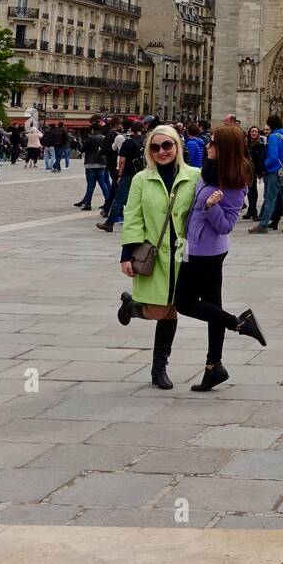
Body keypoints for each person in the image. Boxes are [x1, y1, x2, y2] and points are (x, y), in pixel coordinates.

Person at [174, 122, 266, 391]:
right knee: (212, 304)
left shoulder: (235, 182)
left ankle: (239, 323)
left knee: (184, 303)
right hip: (195, 245)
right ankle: (214, 367)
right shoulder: (210, 171)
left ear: (223, 149)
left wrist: (212, 207)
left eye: (213, 143)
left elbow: (226, 224)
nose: (207, 145)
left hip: (205, 252)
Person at [115, 124, 200, 389]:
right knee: (161, 310)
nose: (161, 151)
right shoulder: (142, 178)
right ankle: (134, 307)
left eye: (167, 145)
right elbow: (133, 216)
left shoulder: (194, 176)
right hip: (154, 252)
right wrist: (126, 255)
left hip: (183, 253)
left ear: (177, 146)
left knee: (171, 309)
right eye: (155, 147)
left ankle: (159, 368)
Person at [249, 113, 283, 235]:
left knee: (270, 198)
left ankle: (263, 224)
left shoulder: (273, 137)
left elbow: (273, 157)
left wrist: (263, 166)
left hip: (275, 171)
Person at [97, 122, 144, 232]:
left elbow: (122, 160)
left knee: (118, 200)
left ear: (131, 129)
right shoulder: (144, 142)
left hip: (127, 173)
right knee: (135, 199)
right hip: (140, 174)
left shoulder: (128, 143)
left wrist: (119, 175)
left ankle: (109, 224)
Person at [74, 121, 110, 210]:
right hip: (102, 163)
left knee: (90, 185)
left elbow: (82, 149)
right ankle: (108, 203)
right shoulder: (105, 138)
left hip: (90, 163)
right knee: (103, 184)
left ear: (93, 129)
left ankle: (88, 204)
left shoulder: (90, 138)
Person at [243, 125, 266, 219]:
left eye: (256, 132)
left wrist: (259, 172)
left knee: (253, 190)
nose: (254, 133)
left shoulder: (260, 144)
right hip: (247, 169)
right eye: (252, 131)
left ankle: (253, 210)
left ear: (258, 134)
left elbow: (261, 159)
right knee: (249, 190)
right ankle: (250, 210)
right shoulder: (246, 143)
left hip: (254, 170)